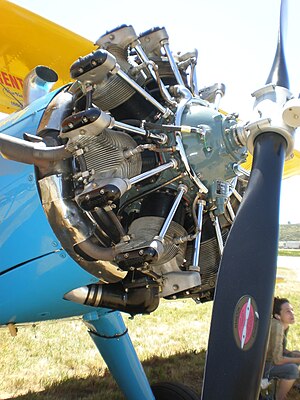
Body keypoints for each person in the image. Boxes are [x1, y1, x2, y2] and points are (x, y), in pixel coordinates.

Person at [264, 297, 300, 400]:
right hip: (262, 367)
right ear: (277, 316)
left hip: (271, 361)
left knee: (296, 353)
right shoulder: (277, 326)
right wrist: (297, 359)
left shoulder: (284, 326)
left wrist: (294, 354)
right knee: (292, 369)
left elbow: (280, 348)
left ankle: (286, 386)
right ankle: (278, 397)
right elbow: (277, 360)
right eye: (288, 311)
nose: (292, 313)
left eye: (292, 310)